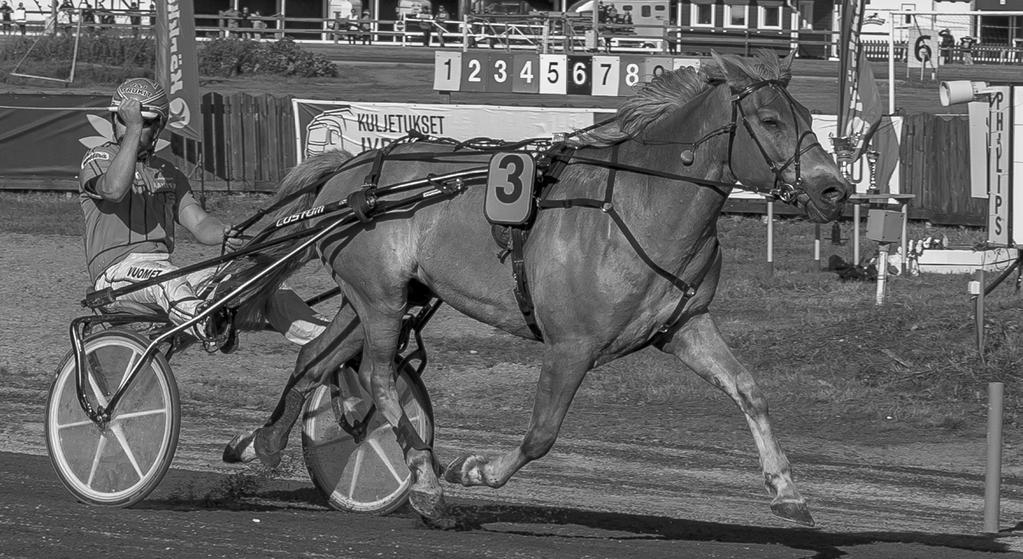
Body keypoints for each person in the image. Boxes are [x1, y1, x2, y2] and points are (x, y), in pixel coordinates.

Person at [79, 78, 330, 348]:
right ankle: (211, 326)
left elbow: (199, 222)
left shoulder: (169, 173)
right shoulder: (98, 158)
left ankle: (329, 341)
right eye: (123, 119)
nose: (131, 126)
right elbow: (114, 190)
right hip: (115, 274)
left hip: (162, 270)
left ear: (160, 126)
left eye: (145, 121)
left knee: (259, 279)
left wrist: (222, 232)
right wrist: (135, 128)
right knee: (168, 282)